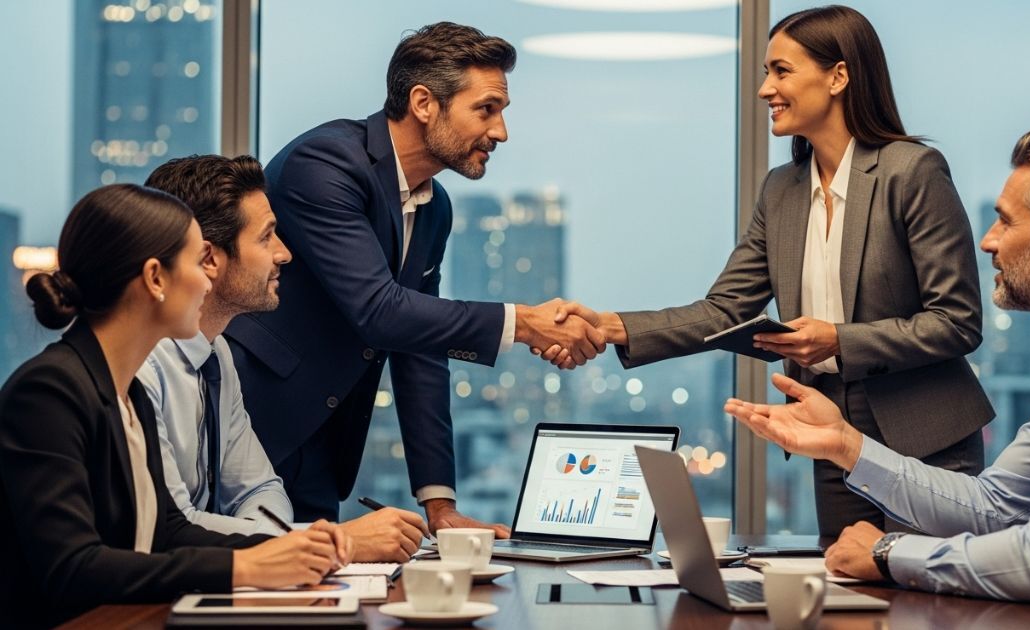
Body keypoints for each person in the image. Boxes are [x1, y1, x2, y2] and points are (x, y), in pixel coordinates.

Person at [727, 129, 1030, 628]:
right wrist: (846, 444)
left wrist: (889, 552)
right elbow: (993, 507)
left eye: (1005, 221)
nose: (988, 241)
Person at [549, 5, 991, 536]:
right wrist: (608, 325)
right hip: (828, 427)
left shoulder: (911, 172)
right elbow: (724, 310)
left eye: (781, 71)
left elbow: (958, 321)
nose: (765, 90)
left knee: (928, 603)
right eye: (764, 73)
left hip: (927, 440)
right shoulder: (782, 189)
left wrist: (838, 340)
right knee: (848, 591)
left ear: (838, 76)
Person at [224, 22, 603, 528]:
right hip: (251, 426)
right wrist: (526, 323)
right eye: (486, 109)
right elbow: (380, 312)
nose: (500, 132)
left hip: (324, 442)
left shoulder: (434, 206)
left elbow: (419, 344)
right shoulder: (326, 164)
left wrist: (440, 505)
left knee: (314, 598)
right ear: (424, 103)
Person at [0, 184, 350, 628]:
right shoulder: (49, 391)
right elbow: (73, 567)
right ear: (155, 278)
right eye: (195, 262)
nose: (208, 279)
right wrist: (247, 568)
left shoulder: (130, 394)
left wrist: (284, 550)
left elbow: (169, 531)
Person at [139, 155, 428, 562]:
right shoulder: (140, 367)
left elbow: (260, 489)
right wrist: (330, 544)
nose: (284, 254)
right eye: (267, 237)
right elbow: (170, 525)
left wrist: (280, 548)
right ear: (209, 258)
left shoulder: (216, 355)